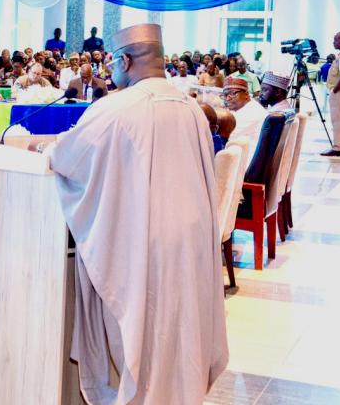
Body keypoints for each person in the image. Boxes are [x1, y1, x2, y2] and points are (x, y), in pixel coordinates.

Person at [44, 24, 228, 403]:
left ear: (125, 60)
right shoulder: (192, 108)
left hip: (145, 241)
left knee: (145, 335)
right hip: (191, 241)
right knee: (182, 331)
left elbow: (67, 158)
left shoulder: (116, 107)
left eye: (114, 61)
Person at [221, 76, 266, 166]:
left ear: (246, 94)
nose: (228, 98)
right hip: (243, 160)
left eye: (233, 93)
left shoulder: (251, 112)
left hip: (245, 166)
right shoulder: (246, 107)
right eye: (225, 95)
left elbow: (226, 138)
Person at [324, 31, 340, 156]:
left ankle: (338, 148)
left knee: (338, 120)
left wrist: (335, 90)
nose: (334, 42)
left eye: (336, 40)